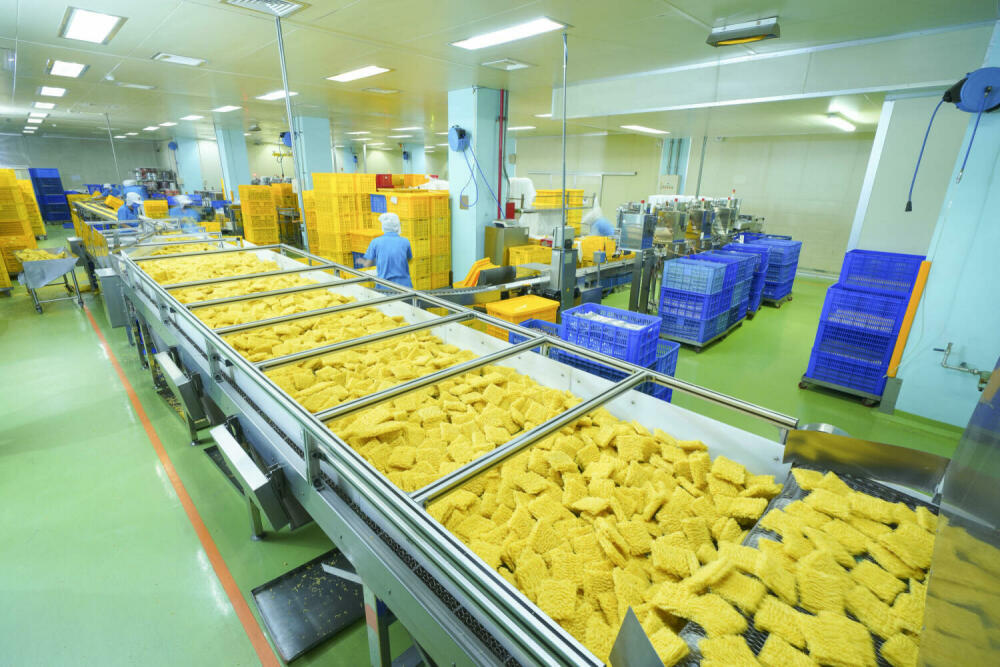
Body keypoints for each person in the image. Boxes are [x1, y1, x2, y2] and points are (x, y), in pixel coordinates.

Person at [361, 212, 413, 287]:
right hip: (405, 287)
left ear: (383, 226)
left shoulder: (375, 242)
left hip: (385, 286)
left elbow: (367, 264)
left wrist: (360, 261)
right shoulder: (405, 241)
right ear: (398, 226)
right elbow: (409, 260)